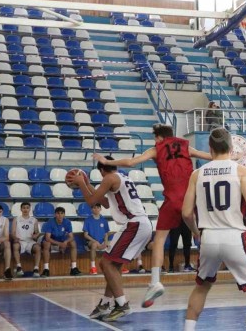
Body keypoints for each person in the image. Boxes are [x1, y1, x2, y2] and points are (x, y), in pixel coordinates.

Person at [93, 123, 211, 308]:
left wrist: (108, 162)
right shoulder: (187, 145)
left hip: (172, 198)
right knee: (193, 222)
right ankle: (198, 234)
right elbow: (210, 156)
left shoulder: (156, 148)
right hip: (191, 196)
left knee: (160, 239)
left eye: (154, 137)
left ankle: (155, 281)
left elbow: (131, 162)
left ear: (158, 137)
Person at [180, 128, 246, 331]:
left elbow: (186, 213)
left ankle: (188, 328)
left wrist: (196, 233)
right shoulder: (242, 171)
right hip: (235, 237)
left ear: (210, 148)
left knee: (201, 288)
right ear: (231, 149)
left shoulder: (197, 174)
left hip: (208, 238)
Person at [71, 156, 153, 322]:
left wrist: (80, 183)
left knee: (106, 263)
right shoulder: (120, 176)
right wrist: (87, 184)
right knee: (112, 265)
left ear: (101, 170)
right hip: (140, 223)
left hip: (134, 223)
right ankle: (105, 303)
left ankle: (122, 304)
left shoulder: (109, 178)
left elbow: (92, 201)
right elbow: (106, 203)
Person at [41, 206, 81, 277]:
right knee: (46, 244)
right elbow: (47, 238)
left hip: (62, 241)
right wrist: (59, 244)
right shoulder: (50, 222)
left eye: (62, 213)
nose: (60, 215)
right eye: (58, 213)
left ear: (64, 215)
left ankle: (73, 268)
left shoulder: (67, 222)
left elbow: (71, 237)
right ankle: (46, 269)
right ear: (55, 214)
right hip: (52, 241)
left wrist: (65, 242)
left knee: (73, 243)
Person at [12, 202, 41, 278]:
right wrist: (15, 238)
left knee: (38, 247)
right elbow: (13, 232)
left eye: (27, 208)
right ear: (21, 209)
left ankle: (36, 269)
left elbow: (37, 232)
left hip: (30, 241)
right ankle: (18, 267)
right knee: (15, 246)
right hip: (20, 241)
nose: (25, 209)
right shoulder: (16, 219)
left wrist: (35, 235)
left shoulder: (34, 220)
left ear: (30, 209)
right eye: (24, 208)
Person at [83, 203, 111, 275]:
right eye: (94, 208)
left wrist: (105, 242)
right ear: (92, 209)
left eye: (98, 208)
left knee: (114, 244)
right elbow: (85, 235)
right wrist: (95, 241)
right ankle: (93, 267)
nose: (96, 209)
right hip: (91, 242)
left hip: (102, 242)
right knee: (94, 244)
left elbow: (106, 234)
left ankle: (115, 267)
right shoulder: (88, 220)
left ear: (100, 209)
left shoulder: (104, 220)